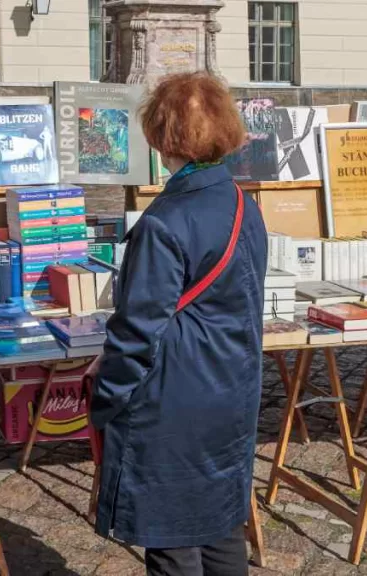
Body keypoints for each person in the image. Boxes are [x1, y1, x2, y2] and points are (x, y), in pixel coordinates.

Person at [90, 72, 268, 576]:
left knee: (171, 540)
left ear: (161, 137)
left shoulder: (164, 221)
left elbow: (136, 335)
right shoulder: (243, 205)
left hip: (175, 398)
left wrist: (106, 398)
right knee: (220, 525)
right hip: (233, 388)